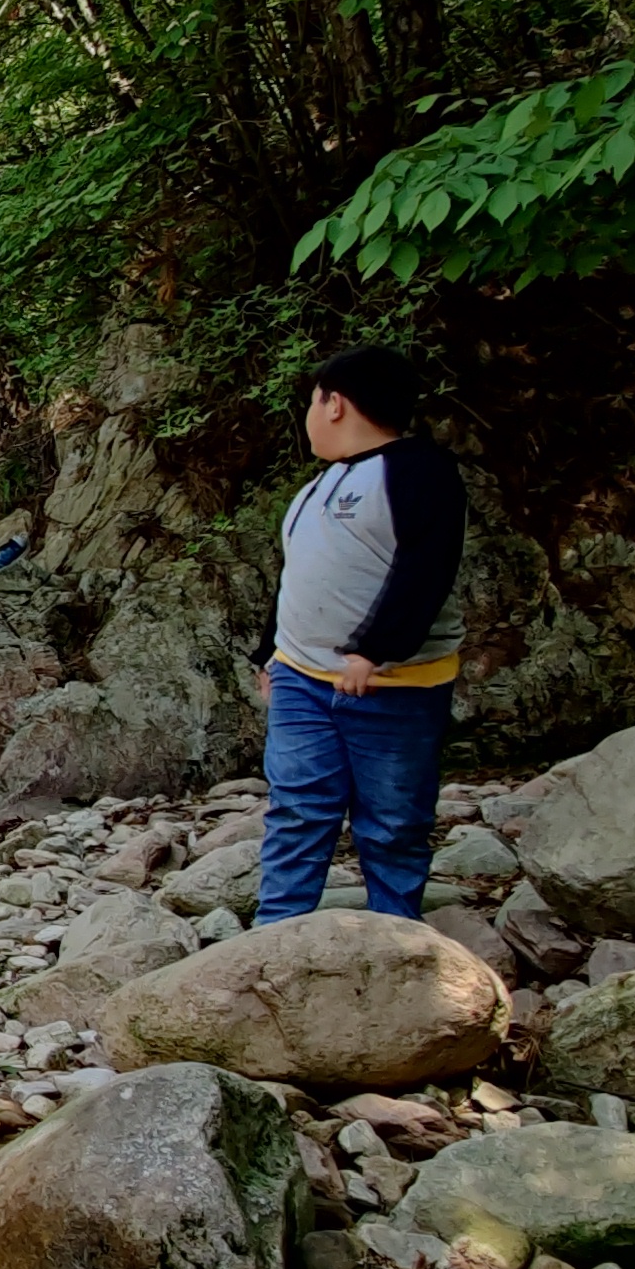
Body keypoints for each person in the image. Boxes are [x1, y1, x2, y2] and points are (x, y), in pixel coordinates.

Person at [254, 345, 464, 922]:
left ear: (335, 403)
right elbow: (300, 576)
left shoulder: (419, 471)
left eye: (312, 402)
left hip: (392, 686)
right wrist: (269, 653)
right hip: (301, 678)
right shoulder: (316, 487)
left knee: (394, 820)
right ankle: (276, 933)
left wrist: (374, 650)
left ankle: (395, 936)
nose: (310, 416)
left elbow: (427, 569)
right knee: (297, 807)